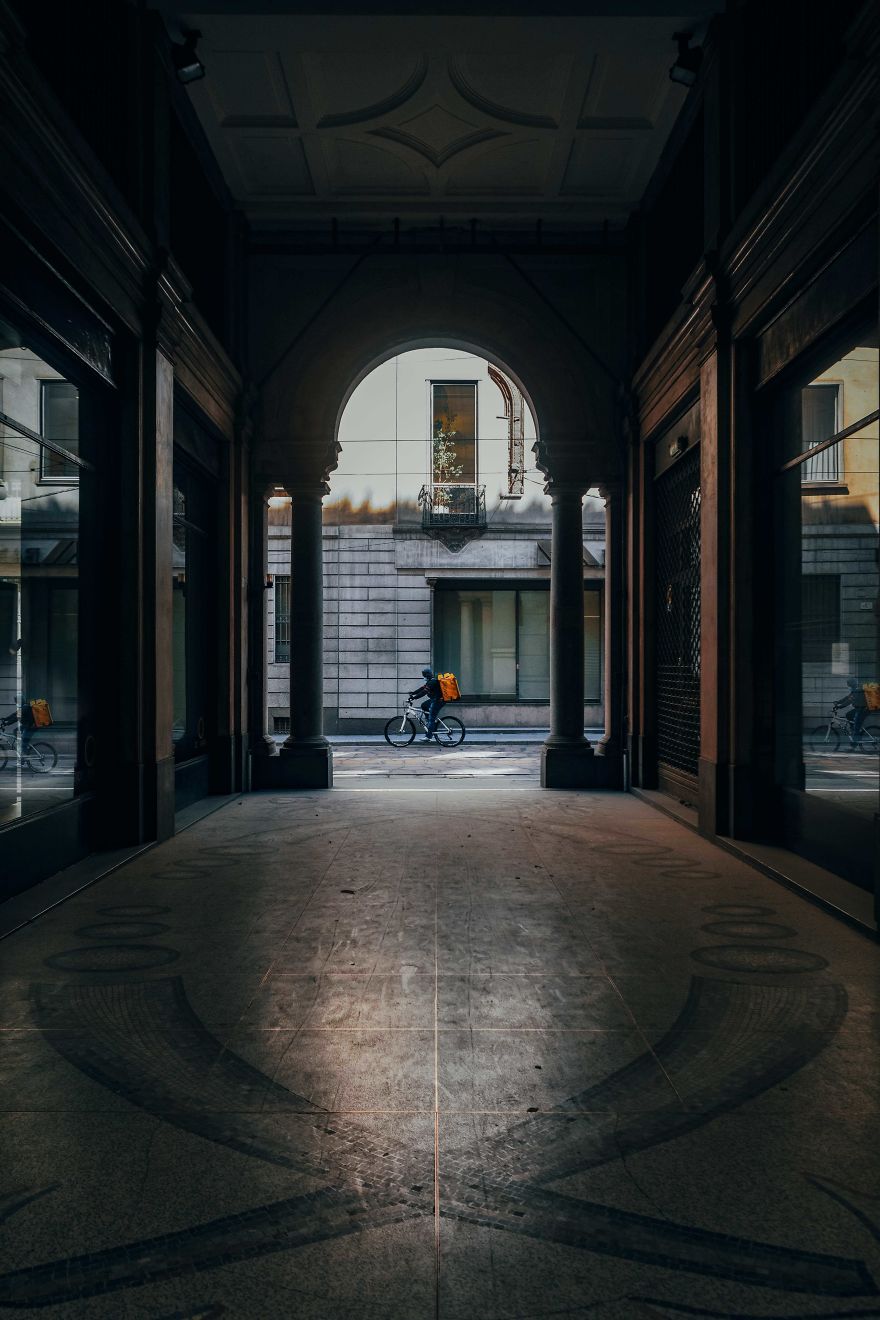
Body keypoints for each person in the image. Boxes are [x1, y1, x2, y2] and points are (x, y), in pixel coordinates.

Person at [409, 667, 443, 740]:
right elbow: (422, 688)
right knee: (424, 705)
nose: (423, 677)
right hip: (435, 699)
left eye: (424, 675)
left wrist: (414, 698)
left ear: (427, 675)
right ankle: (429, 722)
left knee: (431, 718)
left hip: (438, 701)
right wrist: (413, 693)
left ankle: (428, 736)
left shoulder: (432, 682)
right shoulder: (430, 681)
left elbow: (424, 692)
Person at [833, 678, 868, 748]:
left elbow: (849, 701)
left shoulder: (857, 691)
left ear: (852, 685)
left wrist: (839, 707)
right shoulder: (855, 690)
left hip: (863, 710)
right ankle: (853, 729)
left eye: (849, 685)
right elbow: (847, 698)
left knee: (856, 727)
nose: (848, 686)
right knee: (848, 715)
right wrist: (838, 702)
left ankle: (854, 745)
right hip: (860, 709)